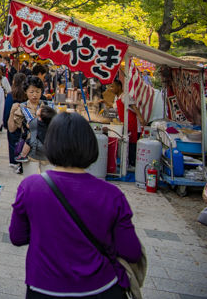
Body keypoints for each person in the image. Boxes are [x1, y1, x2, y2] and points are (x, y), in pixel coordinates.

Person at [9, 113, 143, 298]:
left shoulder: (30, 187)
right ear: (90, 145)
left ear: (51, 144)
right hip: (101, 287)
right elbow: (132, 251)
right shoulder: (112, 195)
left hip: (44, 286)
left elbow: (17, 237)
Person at [8, 76, 49, 176]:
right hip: (30, 153)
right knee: (30, 181)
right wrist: (12, 112)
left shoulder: (48, 107)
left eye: (38, 91)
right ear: (25, 91)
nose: (35, 95)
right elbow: (12, 129)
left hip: (47, 152)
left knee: (49, 183)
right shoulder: (22, 108)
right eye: (31, 92)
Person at [110, 80, 144, 168]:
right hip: (126, 125)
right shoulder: (117, 98)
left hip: (133, 125)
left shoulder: (125, 96)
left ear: (119, 87)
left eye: (113, 86)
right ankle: (126, 164)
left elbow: (134, 107)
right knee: (126, 146)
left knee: (132, 146)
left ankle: (133, 166)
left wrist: (141, 119)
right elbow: (114, 107)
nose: (111, 89)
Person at [16, 105, 57, 176]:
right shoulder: (55, 126)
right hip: (48, 156)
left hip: (32, 155)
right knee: (49, 181)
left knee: (30, 180)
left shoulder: (35, 123)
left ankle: (23, 155)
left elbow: (31, 139)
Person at [3, 73, 27, 172]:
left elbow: (7, 111)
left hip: (12, 122)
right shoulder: (27, 94)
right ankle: (22, 160)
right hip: (24, 123)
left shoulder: (11, 95)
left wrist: (5, 124)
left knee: (13, 142)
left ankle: (14, 161)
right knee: (23, 141)